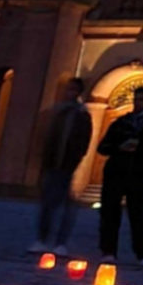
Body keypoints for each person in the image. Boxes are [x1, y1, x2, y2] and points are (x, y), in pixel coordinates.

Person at [96, 86, 143, 267]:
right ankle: (108, 251)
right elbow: (103, 147)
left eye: (142, 100)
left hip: (138, 175)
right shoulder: (120, 123)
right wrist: (120, 147)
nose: (138, 103)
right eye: (136, 99)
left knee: (139, 215)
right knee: (110, 213)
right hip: (116, 172)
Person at [29, 78, 90, 256]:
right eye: (68, 89)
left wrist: (75, 160)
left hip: (67, 164)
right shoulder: (54, 112)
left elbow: (83, 141)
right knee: (47, 203)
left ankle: (60, 242)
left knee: (65, 205)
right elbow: (42, 135)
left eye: (73, 90)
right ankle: (42, 239)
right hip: (51, 163)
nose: (69, 92)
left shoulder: (81, 114)